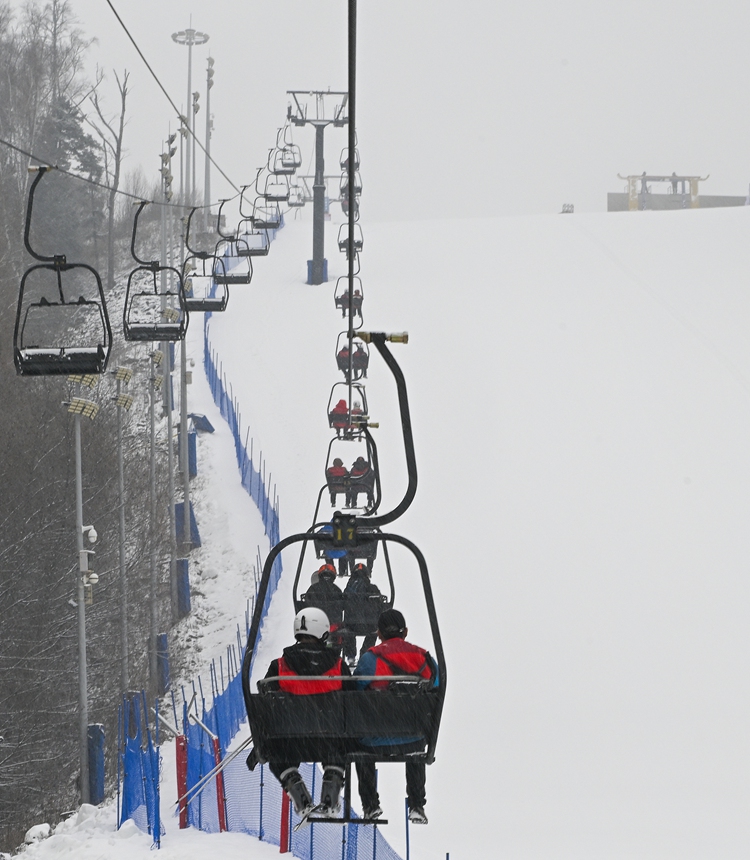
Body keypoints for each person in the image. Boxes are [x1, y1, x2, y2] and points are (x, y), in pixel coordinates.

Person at [259, 608, 352, 818]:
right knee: (341, 745)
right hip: (328, 739)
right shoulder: (337, 666)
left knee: (277, 754)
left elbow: (266, 699)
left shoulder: (280, 666)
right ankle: (331, 790)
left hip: (290, 741)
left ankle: (296, 788)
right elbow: (351, 700)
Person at [354, 609, 439, 825]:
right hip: (414, 738)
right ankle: (417, 804)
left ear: (379, 633)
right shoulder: (424, 658)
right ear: (406, 632)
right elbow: (437, 686)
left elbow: (354, 689)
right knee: (415, 735)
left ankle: (370, 803)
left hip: (374, 741)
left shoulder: (370, 660)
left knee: (357, 744)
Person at [342, 563, 383, 661]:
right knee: (374, 632)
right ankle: (365, 654)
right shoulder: (373, 589)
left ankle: (350, 656)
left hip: (351, 624)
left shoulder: (349, 589)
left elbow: (341, 605)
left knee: (347, 631)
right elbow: (381, 606)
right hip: (370, 625)